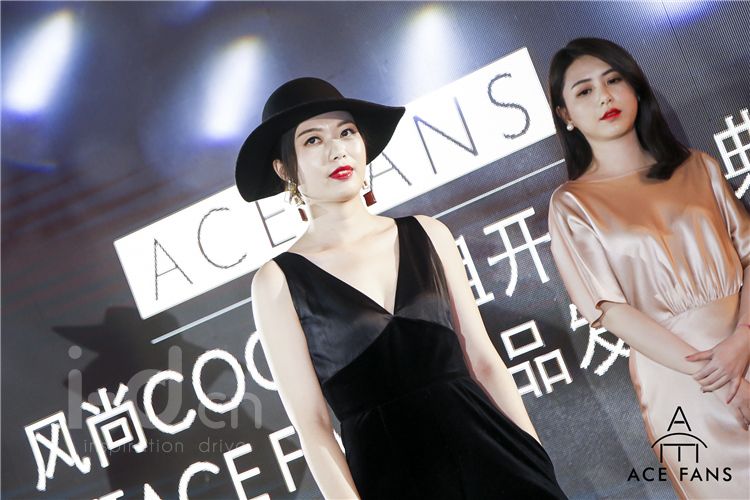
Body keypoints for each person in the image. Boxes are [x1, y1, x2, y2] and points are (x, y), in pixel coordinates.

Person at [237, 77, 567, 499]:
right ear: (284, 169)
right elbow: (313, 427)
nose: (337, 150)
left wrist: (536, 461)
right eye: (313, 140)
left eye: (346, 132)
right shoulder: (277, 282)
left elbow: (484, 361)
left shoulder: (427, 234)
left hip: (502, 465)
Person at [546, 38, 750, 499]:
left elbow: (748, 257)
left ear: (635, 87)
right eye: (584, 91)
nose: (604, 97)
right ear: (565, 114)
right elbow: (611, 311)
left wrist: (742, 339)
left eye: (614, 80)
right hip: (684, 384)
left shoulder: (698, 167)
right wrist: (723, 382)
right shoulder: (573, 205)